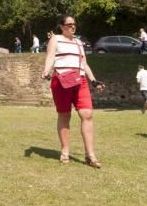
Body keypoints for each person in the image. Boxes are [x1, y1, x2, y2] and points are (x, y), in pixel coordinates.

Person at [42, 14, 104, 167]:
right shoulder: (55, 39)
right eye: (69, 24)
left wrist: (94, 80)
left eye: (74, 24)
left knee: (87, 114)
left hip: (80, 80)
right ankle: (65, 151)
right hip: (61, 80)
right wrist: (46, 71)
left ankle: (90, 155)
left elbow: (84, 63)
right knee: (64, 115)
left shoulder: (78, 42)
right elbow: (50, 57)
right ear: (62, 27)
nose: (73, 27)